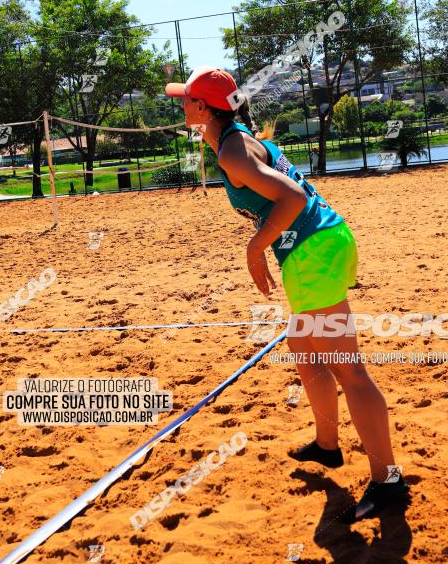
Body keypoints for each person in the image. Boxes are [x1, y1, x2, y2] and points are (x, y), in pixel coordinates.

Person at [165, 66, 409, 523]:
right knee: (304, 349)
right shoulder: (233, 139)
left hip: (313, 252)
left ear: (202, 107)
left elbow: (293, 197)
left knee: (350, 372)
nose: (181, 106)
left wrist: (255, 249)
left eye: (186, 100)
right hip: (318, 246)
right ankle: (327, 445)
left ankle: (388, 480)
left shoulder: (234, 151)